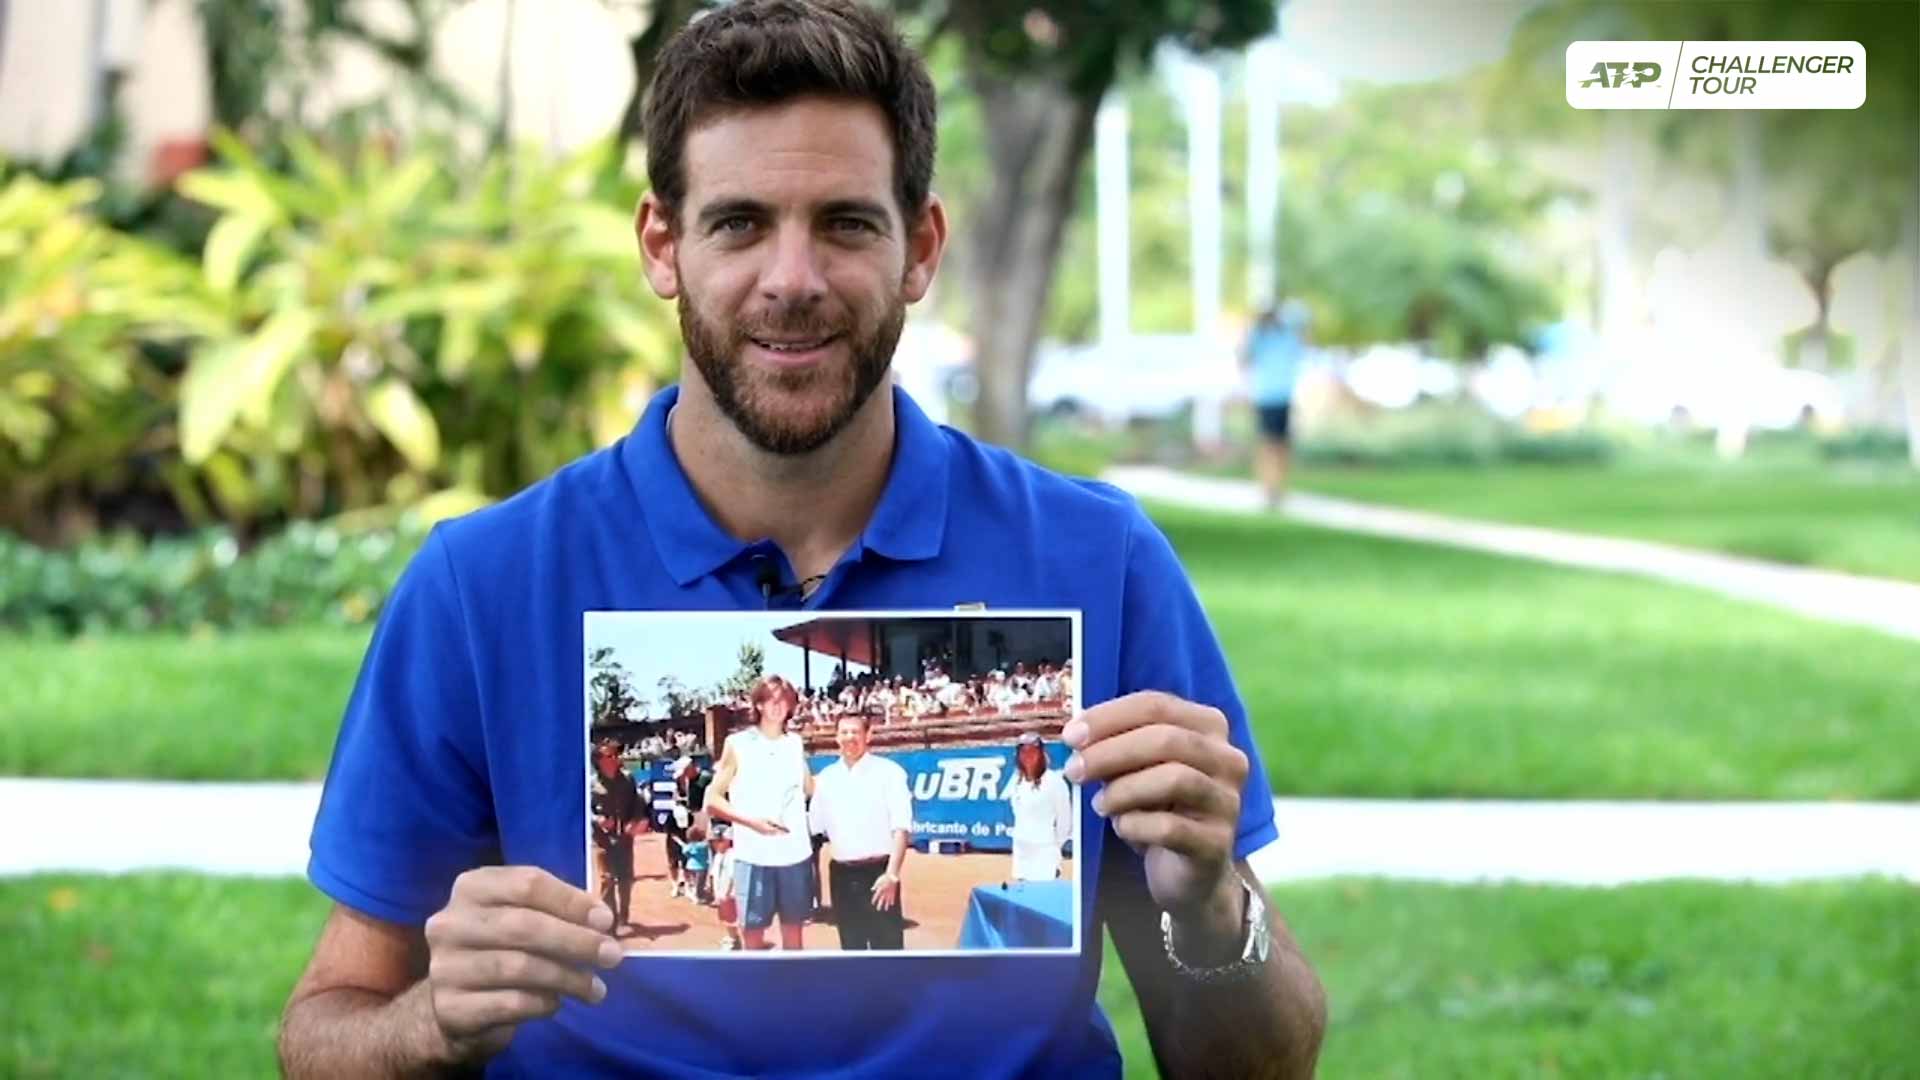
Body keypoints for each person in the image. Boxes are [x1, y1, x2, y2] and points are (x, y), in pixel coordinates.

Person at [279, 3, 1324, 1076]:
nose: (792, 279)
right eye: (738, 223)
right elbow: (323, 1032)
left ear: (920, 247)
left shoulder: (1098, 560)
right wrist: (435, 1020)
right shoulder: (480, 586)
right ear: (661, 245)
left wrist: (1208, 908)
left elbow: (1263, 1065)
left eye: (845, 223)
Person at [703, 675, 814, 951]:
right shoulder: (738, 743)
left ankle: (791, 994)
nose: (778, 707)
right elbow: (712, 799)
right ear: (759, 705)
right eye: (771, 700)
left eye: (784, 701)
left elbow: (810, 788)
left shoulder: (795, 743)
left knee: (794, 938)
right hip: (753, 856)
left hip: (795, 854)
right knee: (752, 937)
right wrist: (752, 823)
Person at [808, 713, 912, 950]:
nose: (849, 738)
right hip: (842, 876)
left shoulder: (890, 773)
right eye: (844, 732)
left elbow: (901, 828)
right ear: (836, 737)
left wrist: (891, 875)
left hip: (879, 874)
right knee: (851, 949)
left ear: (868, 735)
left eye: (855, 732)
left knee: (887, 952)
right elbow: (814, 827)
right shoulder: (825, 779)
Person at [1241, 298, 1311, 511]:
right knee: (1268, 443)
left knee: (1280, 444)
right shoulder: (1259, 337)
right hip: (1266, 396)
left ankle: (1277, 486)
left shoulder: (1286, 337)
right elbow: (1245, 357)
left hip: (1282, 396)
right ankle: (1268, 487)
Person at [589, 739, 645, 934]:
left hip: (624, 838)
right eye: (610, 756)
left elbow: (637, 804)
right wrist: (597, 819)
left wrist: (636, 821)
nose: (615, 759)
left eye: (616, 754)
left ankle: (623, 917)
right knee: (606, 879)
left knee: (625, 879)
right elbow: (583, 810)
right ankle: (609, 923)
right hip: (601, 840)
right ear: (599, 760)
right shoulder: (591, 784)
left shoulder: (628, 779)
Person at [1007, 732, 1074, 882]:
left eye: (1033, 751)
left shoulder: (1055, 781)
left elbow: (1065, 821)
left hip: (1045, 852)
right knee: (1022, 897)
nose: (1028, 756)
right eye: (1024, 752)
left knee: (1044, 899)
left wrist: (1053, 845)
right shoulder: (1016, 782)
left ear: (1041, 754)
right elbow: (1017, 812)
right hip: (1021, 851)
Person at [710, 825, 743, 951]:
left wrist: (727, 893)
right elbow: (714, 874)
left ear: (728, 840)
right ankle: (732, 937)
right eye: (714, 841)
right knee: (725, 917)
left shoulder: (733, 855)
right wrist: (715, 892)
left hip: (730, 894)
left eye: (719, 840)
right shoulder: (718, 856)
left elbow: (732, 876)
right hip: (720, 892)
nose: (716, 844)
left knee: (733, 918)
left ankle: (736, 940)